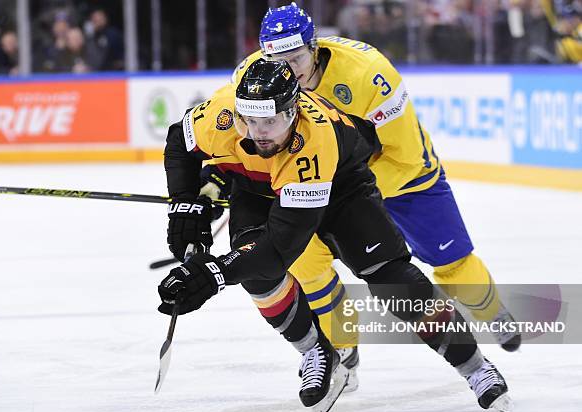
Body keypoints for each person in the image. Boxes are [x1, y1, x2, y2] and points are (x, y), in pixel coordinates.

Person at [157, 58, 511, 412]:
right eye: (250, 120)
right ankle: (315, 350)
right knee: (257, 279)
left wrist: (214, 273)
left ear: (293, 110)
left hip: (341, 187)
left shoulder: (313, 142)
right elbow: (178, 142)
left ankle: (475, 367)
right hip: (259, 188)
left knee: (393, 280)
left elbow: (280, 248)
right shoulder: (220, 112)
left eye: (271, 121)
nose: (260, 132)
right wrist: (185, 205)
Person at [199, 2, 522, 391]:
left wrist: (322, 190)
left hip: (403, 180)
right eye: (277, 58)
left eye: (297, 57)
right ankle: (342, 350)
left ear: (314, 47)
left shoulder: (368, 74)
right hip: (326, 187)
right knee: (306, 264)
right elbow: (246, 149)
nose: (289, 68)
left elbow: (404, 156)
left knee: (451, 261)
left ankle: (491, 312)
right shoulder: (255, 80)